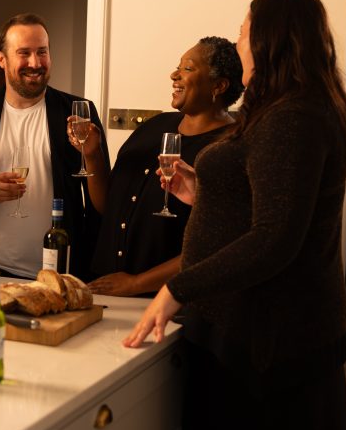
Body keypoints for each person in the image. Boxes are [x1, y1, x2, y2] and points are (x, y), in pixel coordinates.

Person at [124, 0, 346, 430]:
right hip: (258, 332)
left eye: (243, 29)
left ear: (270, 37)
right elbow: (265, 206)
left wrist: (175, 288)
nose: (238, 40)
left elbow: (276, 239)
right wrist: (205, 192)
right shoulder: (286, 110)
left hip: (269, 343)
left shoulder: (292, 118)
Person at [0, 13, 109, 279]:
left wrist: (94, 154)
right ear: (1, 59)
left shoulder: (77, 114)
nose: (35, 62)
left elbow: (104, 202)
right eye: (24, 53)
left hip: (61, 271)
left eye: (42, 52)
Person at [86, 36, 243, 296]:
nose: (174, 75)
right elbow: (107, 205)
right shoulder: (152, 128)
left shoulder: (230, 149)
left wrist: (137, 283)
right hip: (107, 291)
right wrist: (92, 156)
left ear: (218, 86)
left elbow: (216, 244)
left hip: (165, 303)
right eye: (178, 67)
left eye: (188, 69)